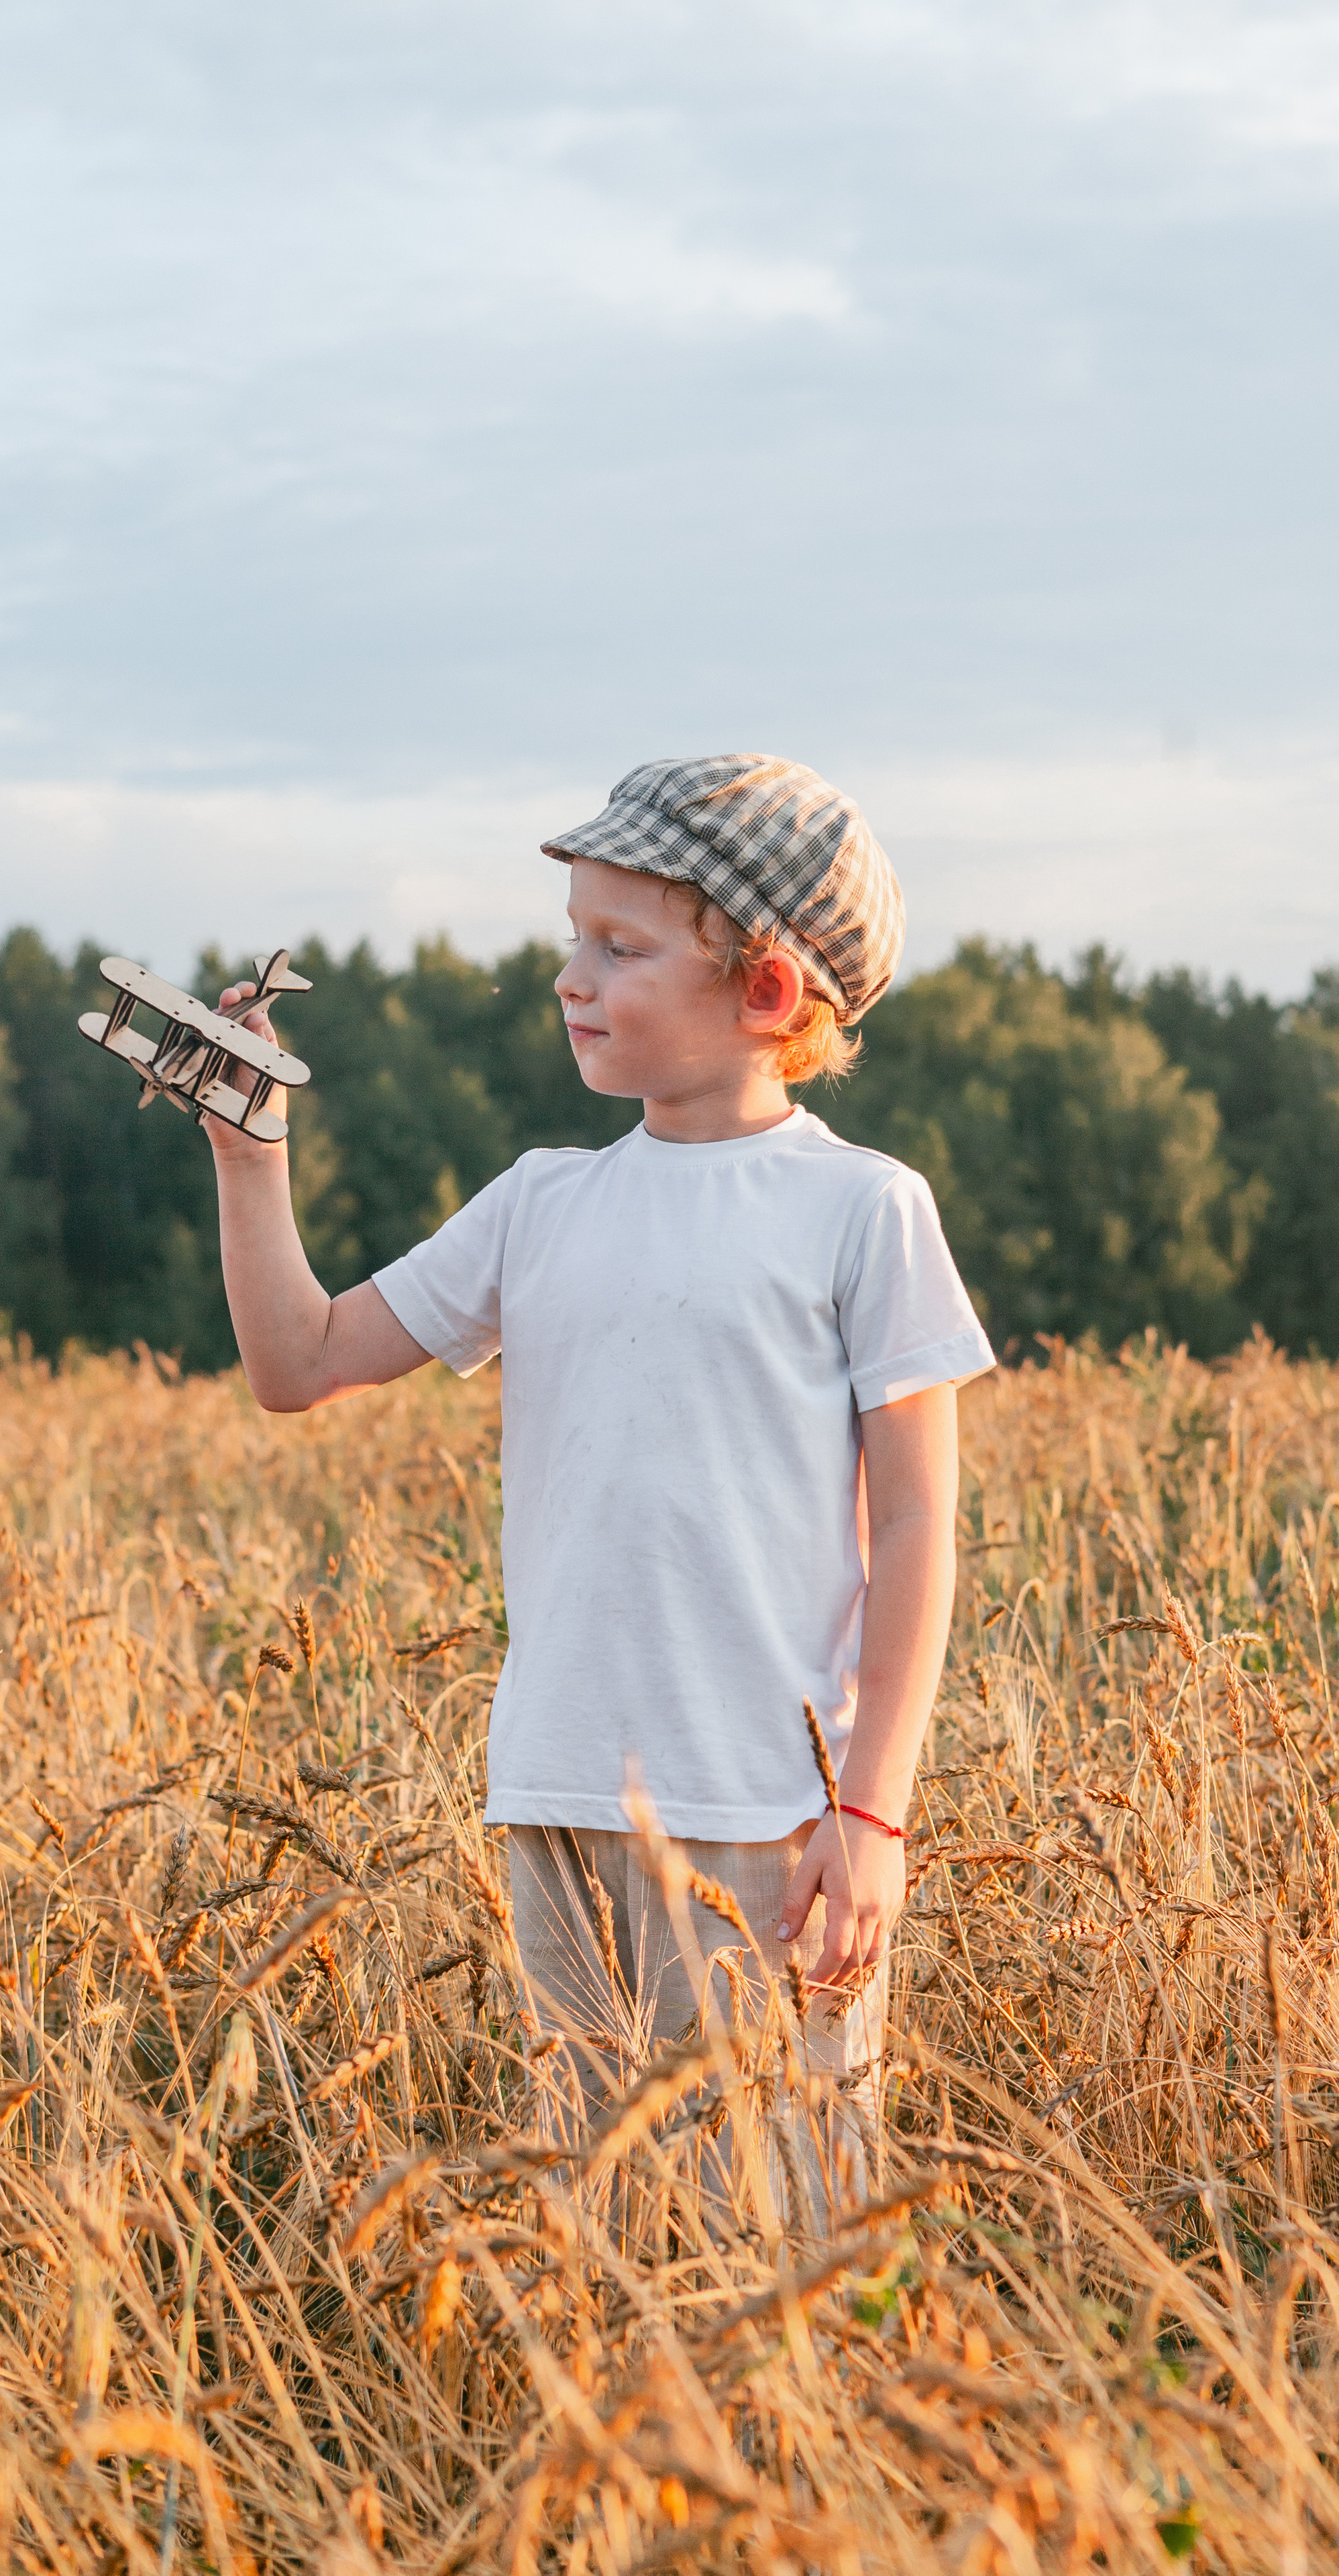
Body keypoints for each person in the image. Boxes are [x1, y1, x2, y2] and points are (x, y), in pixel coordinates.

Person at [203, 754, 994, 2216]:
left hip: (769, 1814)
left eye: (618, 947)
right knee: (611, 2222)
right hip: (555, 1791)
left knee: (788, 2217)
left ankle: (811, 2450)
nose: (570, 975)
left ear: (764, 991)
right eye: (573, 932)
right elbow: (300, 1361)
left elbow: (917, 1524)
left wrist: (870, 1812)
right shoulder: (539, 1204)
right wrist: (251, 1159)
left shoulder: (862, 1211)